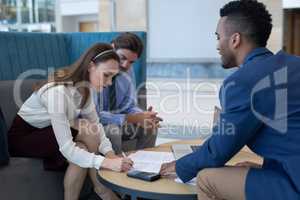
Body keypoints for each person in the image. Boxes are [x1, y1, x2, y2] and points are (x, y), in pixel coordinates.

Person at [160, 0, 300, 200]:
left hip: (294, 185)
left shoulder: (242, 82)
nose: (217, 45)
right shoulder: (293, 64)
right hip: (290, 169)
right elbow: (290, 134)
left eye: (218, 37)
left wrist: (180, 166)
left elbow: (218, 151)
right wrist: (266, 168)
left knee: (207, 179)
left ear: (235, 40)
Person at [8, 43, 133, 200]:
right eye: (106, 75)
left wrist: (110, 154)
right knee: (85, 130)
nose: (109, 83)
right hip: (24, 139)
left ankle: (93, 192)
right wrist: (107, 163)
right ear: (90, 66)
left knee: (83, 143)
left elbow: (97, 124)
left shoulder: (84, 89)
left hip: (48, 133)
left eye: (112, 77)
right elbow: (67, 148)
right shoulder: (56, 93)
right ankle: (101, 189)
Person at [94, 32, 162, 154]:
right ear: (112, 47)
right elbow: (96, 115)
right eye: (122, 58)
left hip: (121, 121)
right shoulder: (97, 70)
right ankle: (116, 169)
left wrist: (144, 115)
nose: (125, 65)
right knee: (112, 131)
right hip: (98, 124)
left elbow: (129, 105)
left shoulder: (128, 71)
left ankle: (142, 167)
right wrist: (131, 118)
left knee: (149, 127)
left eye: (131, 62)